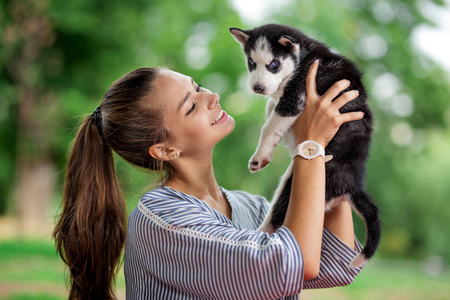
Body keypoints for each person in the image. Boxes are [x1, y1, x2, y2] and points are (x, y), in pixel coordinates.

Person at [53, 60, 366, 300]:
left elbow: (339, 263)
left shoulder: (252, 208)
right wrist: (309, 147)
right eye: (191, 106)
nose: (211, 97)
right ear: (165, 149)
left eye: (198, 87)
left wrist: (331, 147)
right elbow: (291, 261)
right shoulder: (162, 220)